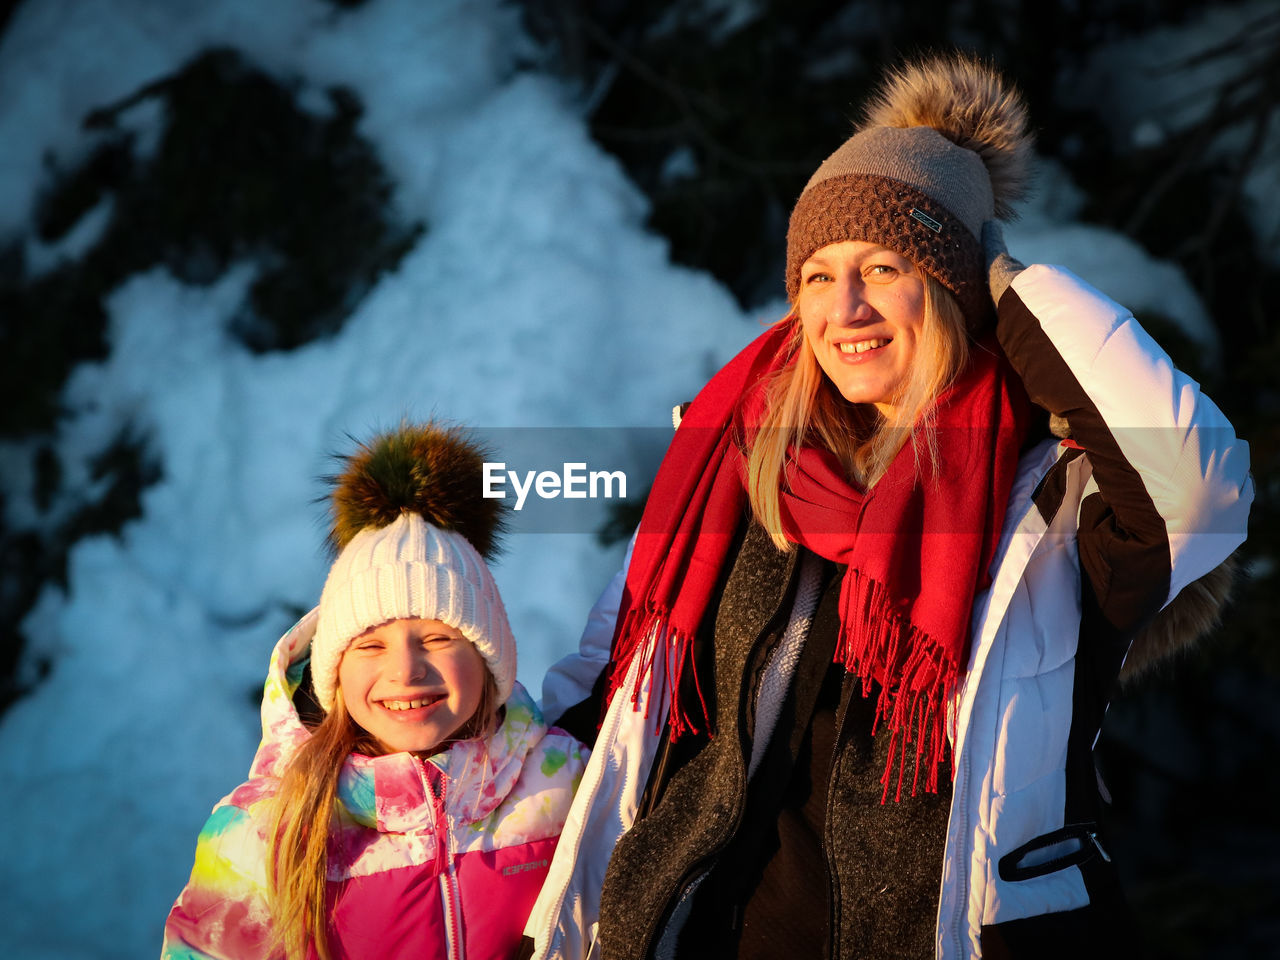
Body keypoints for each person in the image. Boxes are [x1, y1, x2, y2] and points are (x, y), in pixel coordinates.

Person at [521, 54, 1252, 960]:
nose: (846, 306)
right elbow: (610, 686)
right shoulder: (735, 463)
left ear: (952, 285)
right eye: (818, 275)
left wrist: (1012, 286)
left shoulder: (1058, 502)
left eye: (883, 264)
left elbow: (1202, 491)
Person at [162, 422, 589, 960]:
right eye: (370, 647)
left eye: (437, 638)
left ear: (488, 659)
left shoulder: (563, 786)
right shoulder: (267, 829)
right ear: (335, 672)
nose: (406, 670)